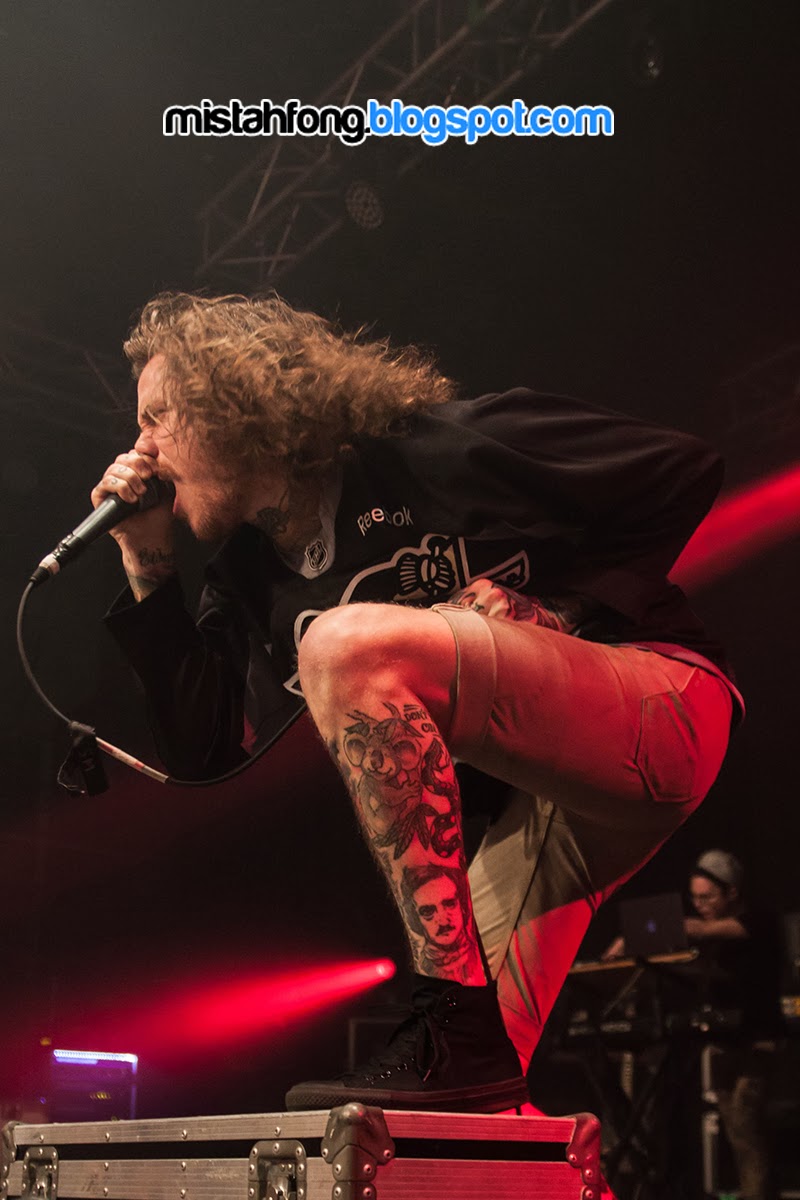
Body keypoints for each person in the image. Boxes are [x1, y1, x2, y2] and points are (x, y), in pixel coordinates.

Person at [96, 291, 742, 1113]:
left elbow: (682, 468)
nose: (140, 451)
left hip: (658, 696)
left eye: (157, 417)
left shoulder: (432, 449)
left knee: (342, 644)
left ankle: (450, 1013)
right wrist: (146, 560)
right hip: (540, 809)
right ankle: (485, 1077)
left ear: (234, 401)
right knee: (449, 1103)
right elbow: (204, 753)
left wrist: (563, 609)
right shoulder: (247, 579)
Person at [689, 850, 782, 1200]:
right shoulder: (714, 939)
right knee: (736, 1133)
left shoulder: (759, 920)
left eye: (708, 897)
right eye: (695, 898)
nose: (700, 905)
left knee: (747, 1129)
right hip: (727, 1044)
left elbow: (707, 928)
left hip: (757, 1042)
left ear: (732, 892)